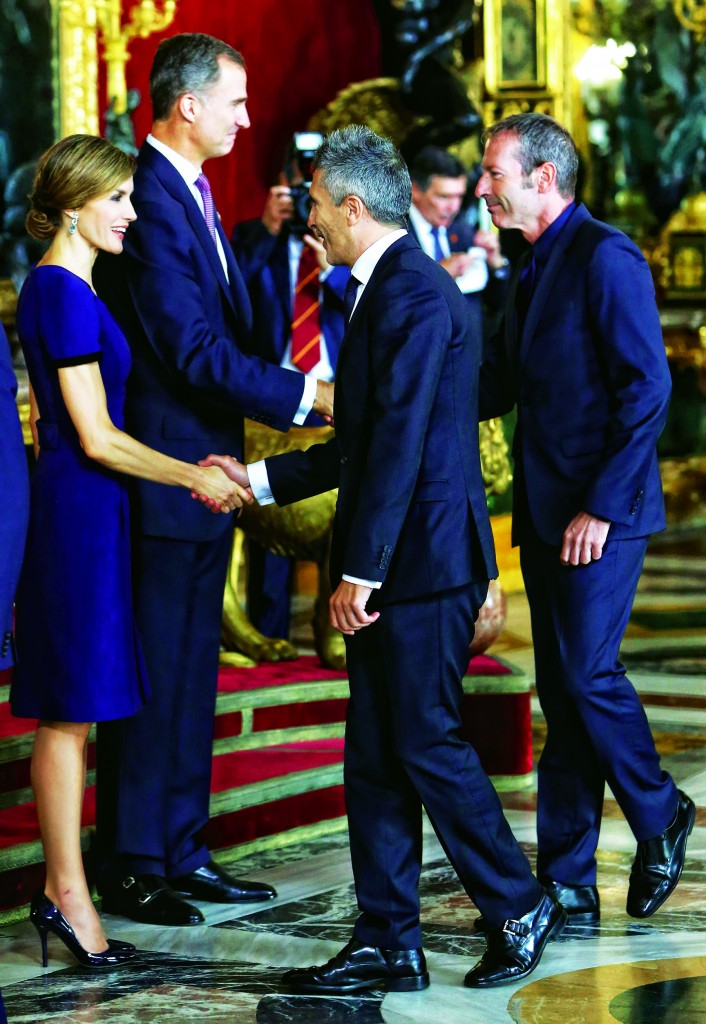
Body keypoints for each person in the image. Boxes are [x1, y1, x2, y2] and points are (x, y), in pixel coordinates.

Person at [201, 124, 566, 993]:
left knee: (425, 742)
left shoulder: (407, 294)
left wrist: (358, 569)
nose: (310, 220)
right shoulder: (388, 288)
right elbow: (356, 443)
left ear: (353, 207)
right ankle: (387, 936)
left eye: (319, 206)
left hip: (417, 565)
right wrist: (251, 476)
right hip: (405, 557)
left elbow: (398, 443)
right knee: (373, 751)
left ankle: (518, 904)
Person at [92, 33, 334, 927]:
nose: (246, 115)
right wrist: (307, 392)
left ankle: (183, 851)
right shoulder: (149, 200)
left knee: (195, 671)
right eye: (234, 101)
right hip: (162, 475)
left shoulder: (193, 194)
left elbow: (224, 334)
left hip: (204, 473)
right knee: (157, 672)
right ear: (186, 105)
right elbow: (190, 350)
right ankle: (133, 863)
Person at [10, 134, 245, 968]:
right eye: (118, 200)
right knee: (69, 710)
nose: (132, 214)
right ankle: (68, 894)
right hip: (78, 512)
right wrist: (193, 474)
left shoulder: (71, 285)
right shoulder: (62, 292)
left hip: (94, 510)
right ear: (75, 204)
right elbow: (99, 438)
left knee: (78, 712)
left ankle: (61, 890)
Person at [475, 112, 694, 927]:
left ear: (543, 178)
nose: (483, 188)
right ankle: (568, 878)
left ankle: (661, 810)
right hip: (545, 509)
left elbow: (648, 390)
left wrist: (600, 506)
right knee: (564, 696)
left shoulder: (607, 255)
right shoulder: (526, 263)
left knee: (587, 674)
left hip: (603, 512)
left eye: (495, 173)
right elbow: (496, 387)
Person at [231, 140, 349, 639]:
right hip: (272, 397)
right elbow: (233, 298)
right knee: (269, 503)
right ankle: (269, 630)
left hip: (334, 394)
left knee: (336, 509)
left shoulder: (348, 248)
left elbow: (375, 313)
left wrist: (337, 275)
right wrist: (267, 230)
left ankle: (333, 630)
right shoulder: (255, 237)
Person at [407, 145, 510, 339]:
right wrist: (439, 276)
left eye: (459, 196)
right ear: (415, 190)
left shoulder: (462, 230)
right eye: (444, 196)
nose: (453, 207)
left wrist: (496, 262)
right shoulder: (394, 233)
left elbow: (498, 304)